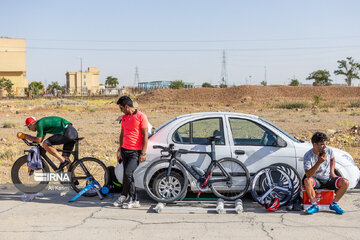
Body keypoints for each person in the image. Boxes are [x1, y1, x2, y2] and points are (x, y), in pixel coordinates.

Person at [113, 96, 148, 209]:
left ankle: (134, 199)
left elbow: (145, 136)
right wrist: (120, 148)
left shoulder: (141, 116)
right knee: (125, 175)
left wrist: (143, 153)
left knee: (128, 173)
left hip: (135, 152)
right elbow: (122, 134)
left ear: (127, 107)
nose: (121, 110)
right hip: (124, 150)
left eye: (121, 108)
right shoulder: (124, 118)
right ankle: (124, 196)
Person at [303, 132, 349, 214]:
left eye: (325, 144)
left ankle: (334, 203)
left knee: (345, 182)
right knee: (307, 181)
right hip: (316, 180)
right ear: (315, 144)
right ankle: (314, 205)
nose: (324, 147)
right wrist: (318, 162)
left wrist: (332, 172)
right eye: (322, 144)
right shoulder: (308, 155)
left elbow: (332, 159)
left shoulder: (328, 150)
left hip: (328, 179)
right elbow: (308, 174)